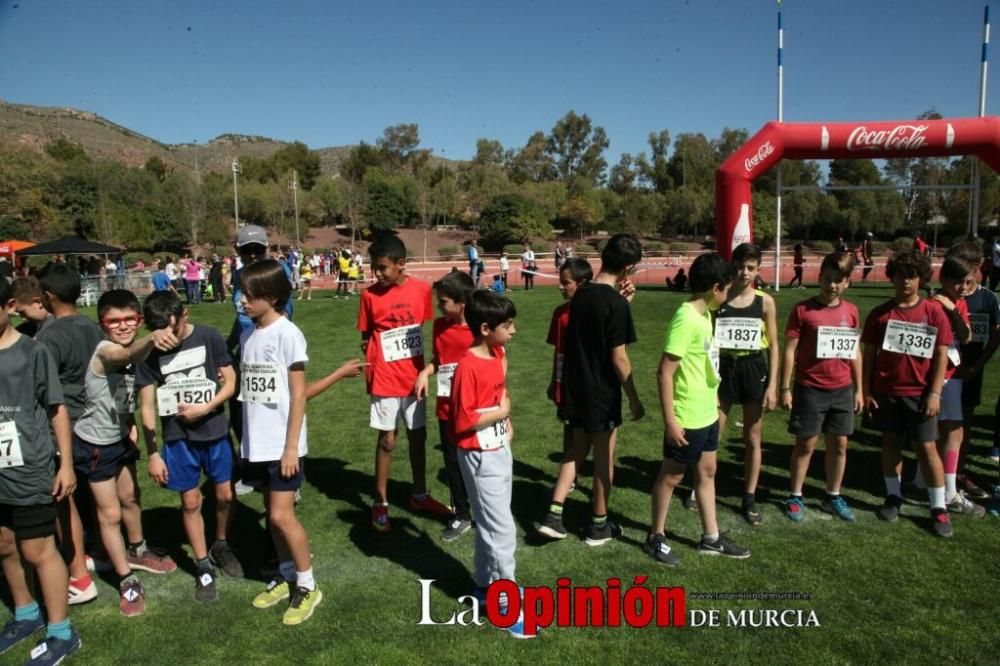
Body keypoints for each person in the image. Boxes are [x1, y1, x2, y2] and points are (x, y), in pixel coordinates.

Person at [74, 290, 179, 617]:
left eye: (129, 319)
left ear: (139, 319)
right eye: (113, 321)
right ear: (102, 324)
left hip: (120, 440)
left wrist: (131, 428)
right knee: (110, 514)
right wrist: (151, 337)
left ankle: (138, 550)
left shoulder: (137, 353)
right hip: (95, 445)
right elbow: (125, 356)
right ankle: (126, 579)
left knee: (132, 499)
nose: (122, 326)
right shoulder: (106, 351)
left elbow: (128, 396)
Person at [135, 291, 244, 604]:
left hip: (214, 431)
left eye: (176, 330)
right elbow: (146, 406)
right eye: (164, 334)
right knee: (191, 501)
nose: (172, 338)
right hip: (177, 438)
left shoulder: (208, 336)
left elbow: (231, 381)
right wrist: (153, 453)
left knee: (224, 495)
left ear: (185, 315)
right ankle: (202, 565)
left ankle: (221, 543)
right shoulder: (150, 352)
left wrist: (205, 408)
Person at [538, 234, 645, 545]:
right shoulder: (615, 304)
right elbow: (619, 358)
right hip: (601, 393)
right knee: (603, 458)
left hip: (575, 388)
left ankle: (553, 515)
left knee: (575, 450)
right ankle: (599, 525)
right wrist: (634, 399)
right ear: (628, 268)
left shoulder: (579, 296)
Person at [644, 253, 749, 566]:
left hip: (707, 413)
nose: (728, 294)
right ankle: (656, 536)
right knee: (671, 477)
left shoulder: (706, 314)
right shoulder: (686, 317)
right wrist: (670, 421)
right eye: (726, 289)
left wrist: (714, 401)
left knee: (707, 472)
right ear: (715, 288)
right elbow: (665, 372)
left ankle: (711, 538)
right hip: (686, 418)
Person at [0, 278, 82, 663]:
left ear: (10, 305)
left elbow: (57, 409)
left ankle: (62, 632)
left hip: (31, 466)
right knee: (3, 544)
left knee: (37, 548)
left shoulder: (33, 352)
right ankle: (26, 613)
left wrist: (65, 463)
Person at [236, 260, 319, 625]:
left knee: (284, 516)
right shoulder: (248, 335)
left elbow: (298, 396)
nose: (241, 300)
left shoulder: (288, 334)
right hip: (259, 444)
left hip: (283, 445)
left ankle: (308, 585)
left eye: (248, 295)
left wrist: (290, 448)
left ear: (270, 296)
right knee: (272, 517)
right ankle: (286, 576)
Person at [449, 290, 533, 639]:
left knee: (490, 521)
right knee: (502, 529)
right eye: (507, 325)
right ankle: (506, 603)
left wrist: (504, 414)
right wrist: (501, 413)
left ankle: (485, 584)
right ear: (486, 328)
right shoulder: (466, 366)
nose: (512, 331)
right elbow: (461, 422)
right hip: (479, 453)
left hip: (497, 447)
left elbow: (500, 390)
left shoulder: (497, 352)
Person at [359, 235, 450, 532]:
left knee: (418, 437)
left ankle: (419, 495)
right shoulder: (369, 296)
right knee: (387, 439)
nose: (378, 274)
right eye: (375, 268)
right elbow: (365, 336)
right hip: (384, 377)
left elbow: (422, 327)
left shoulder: (422, 290)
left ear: (401, 264)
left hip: (413, 377)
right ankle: (381, 501)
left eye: (383, 268)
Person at [861, 250, 954, 537]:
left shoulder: (934, 312)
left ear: (922, 279)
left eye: (912, 275)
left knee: (926, 448)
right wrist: (865, 391)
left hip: (921, 394)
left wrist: (935, 393)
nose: (905, 281)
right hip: (886, 393)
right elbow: (869, 357)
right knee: (890, 444)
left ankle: (939, 508)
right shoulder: (880, 314)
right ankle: (894, 496)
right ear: (891, 277)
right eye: (900, 274)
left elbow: (942, 355)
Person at [37, 264, 104, 606]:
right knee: (91, 497)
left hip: (65, 424)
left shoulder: (49, 336)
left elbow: (41, 387)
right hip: (95, 422)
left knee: (64, 501)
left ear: (47, 296)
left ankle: (79, 575)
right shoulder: (92, 326)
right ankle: (96, 552)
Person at [780, 252, 863, 523]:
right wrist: (785, 387)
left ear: (847, 283)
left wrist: (860, 389)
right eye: (828, 279)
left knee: (839, 444)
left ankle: (833, 495)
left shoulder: (851, 311)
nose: (832, 285)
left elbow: (855, 352)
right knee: (806, 444)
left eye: (839, 281)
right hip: (810, 388)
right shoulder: (803, 310)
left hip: (842, 389)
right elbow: (790, 351)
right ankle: (795, 494)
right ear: (819, 278)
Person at [712, 243, 779, 525]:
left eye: (751, 268)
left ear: (758, 269)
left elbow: (775, 345)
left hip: (753, 367)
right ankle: (701, 486)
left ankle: (749, 497)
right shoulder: (721, 297)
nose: (744, 272)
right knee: (713, 434)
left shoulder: (765, 302)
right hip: (724, 369)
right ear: (733, 265)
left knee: (753, 438)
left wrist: (774, 385)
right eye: (740, 266)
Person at [910, 256, 983, 517]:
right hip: (939, 376)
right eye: (958, 283)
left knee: (944, 431)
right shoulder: (930, 305)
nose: (963, 288)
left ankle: (922, 480)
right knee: (950, 432)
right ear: (944, 280)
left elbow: (966, 336)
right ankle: (949, 491)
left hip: (951, 375)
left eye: (967, 283)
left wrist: (953, 309)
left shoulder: (958, 304)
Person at [413, 271, 477, 542]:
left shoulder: (480, 328)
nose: (439, 307)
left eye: (444, 302)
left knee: (477, 462)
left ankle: (486, 511)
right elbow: (439, 360)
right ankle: (461, 514)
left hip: (475, 408)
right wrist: (425, 372)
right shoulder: (440, 326)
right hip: (446, 406)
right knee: (452, 462)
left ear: (462, 302)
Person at [943, 243, 1000, 485]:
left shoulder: (988, 299)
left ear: (976, 268)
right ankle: (935, 471)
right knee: (942, 424)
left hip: (971, 371)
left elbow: (995, 336)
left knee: (964, 424)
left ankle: (958, 471)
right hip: (945, 372)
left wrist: (977, 366)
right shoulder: (945, 295)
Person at [545, 258, 593, 471]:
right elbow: (558, 352)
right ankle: (570, 474)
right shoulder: (560, 313)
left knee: (595, 431)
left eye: (566, 283)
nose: (560, 287)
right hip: (565, 383)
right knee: (569, 428)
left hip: (591, 383)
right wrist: (553, 380)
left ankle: (598, 479)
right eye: (560, 282)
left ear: (582, 283)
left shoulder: (595, 312)